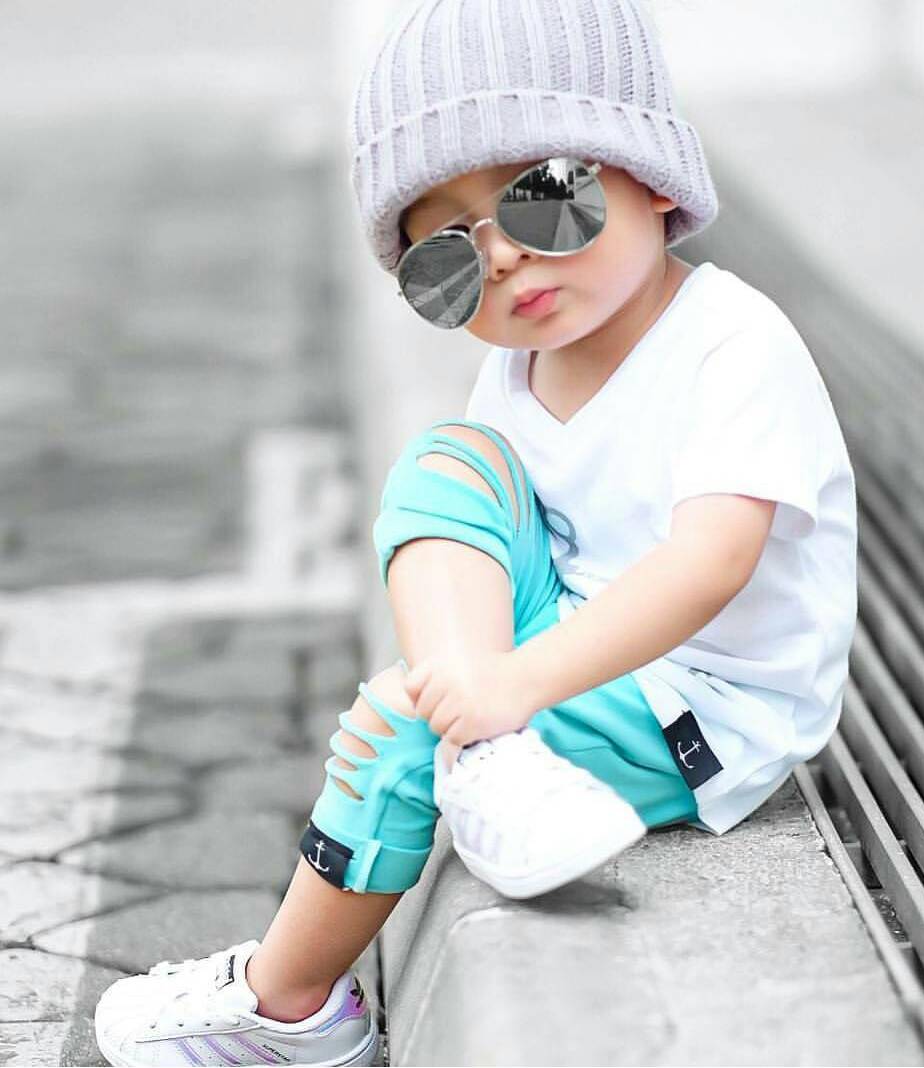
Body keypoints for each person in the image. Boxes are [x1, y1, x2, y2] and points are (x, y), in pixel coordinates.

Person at [93, 0, 858, 1064]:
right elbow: (481, 532)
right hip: (579, 653)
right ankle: (491, 753)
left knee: (400, 725)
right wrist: (488, 686)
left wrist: (516, 683)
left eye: (544, 196)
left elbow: (710, 564)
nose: (498, 258)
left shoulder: (734, 344)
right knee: (446, 461)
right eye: (442, 251)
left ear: (651, 177)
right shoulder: (515, 371)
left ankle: (292, 1008)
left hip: (703, 712)